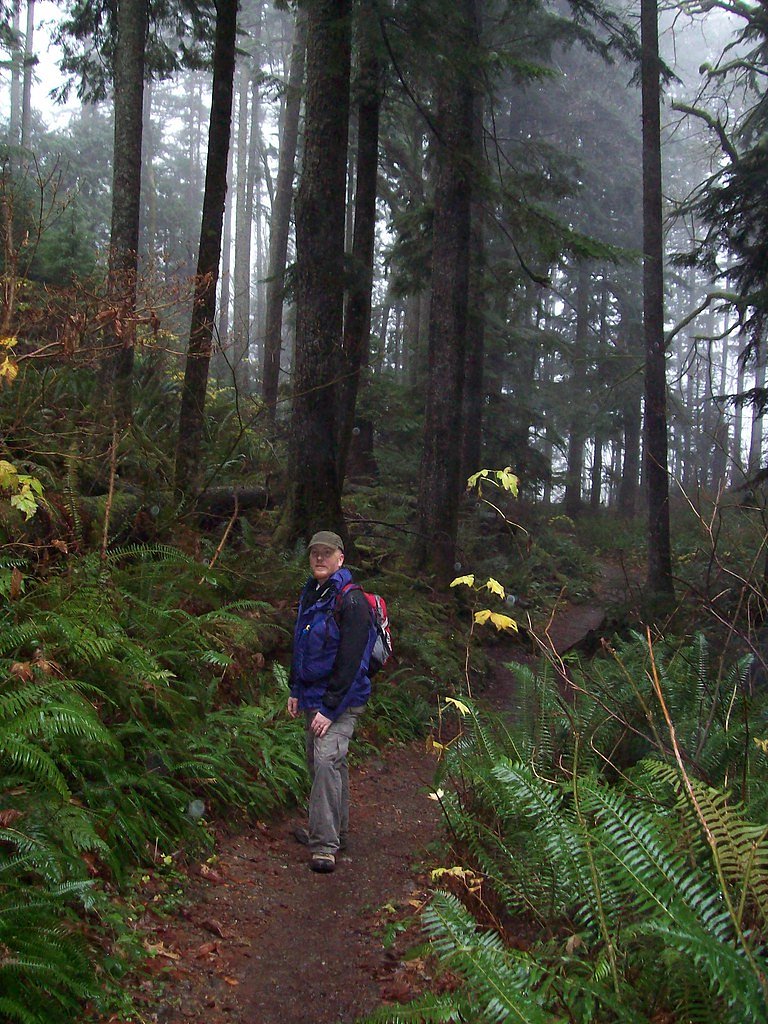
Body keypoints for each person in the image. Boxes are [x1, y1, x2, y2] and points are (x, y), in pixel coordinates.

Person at [287, 530, 375, 873]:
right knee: (324, 763)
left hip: (342, 700)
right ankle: (336, 829)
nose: (319, 558)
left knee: (325, 761)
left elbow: (352, 660)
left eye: (327, 553)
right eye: (314, 554)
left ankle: (324, 846)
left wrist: (329, 707)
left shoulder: (351, 601)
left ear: (341, 558)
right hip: (313, 695)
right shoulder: (313, 593)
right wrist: (295, 688)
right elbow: (301, 644)